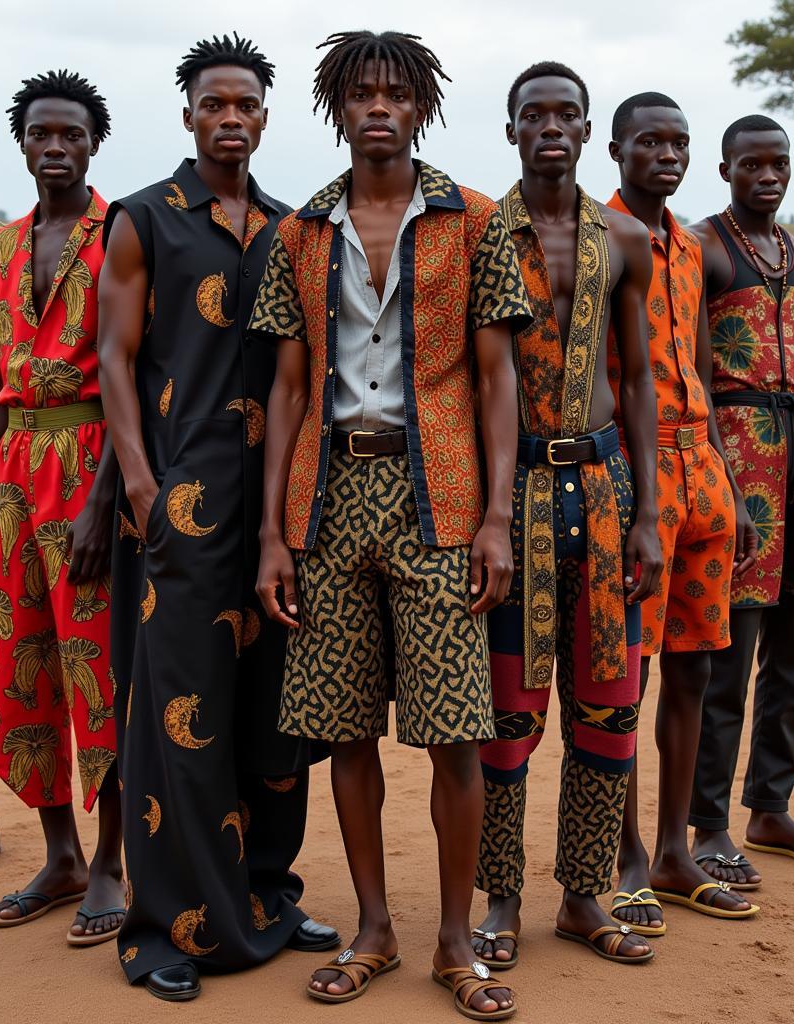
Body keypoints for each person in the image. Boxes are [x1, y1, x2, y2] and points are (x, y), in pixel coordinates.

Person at [252, 29, 530, 1021]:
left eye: (396, 94)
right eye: (361, 93)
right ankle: (374, 927)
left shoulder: (476, 220)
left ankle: (456, 941)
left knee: (454, 735)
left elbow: (496, 379)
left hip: (442, 503)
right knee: (346, 734)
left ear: (421, 108)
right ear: (338, 108)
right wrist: (275, 535)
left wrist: (496, 517)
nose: (378, 107)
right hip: (327, 507)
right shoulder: (304, 231)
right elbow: (288, 387)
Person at [98, 34, 338, 1003]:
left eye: (245, 105)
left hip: (277, 509)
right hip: (183, 505)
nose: (230, 117)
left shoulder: (288, 227)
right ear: (189, 115)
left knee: (273, 710)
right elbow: (114, 361)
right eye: (214, 104)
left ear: (264, 120)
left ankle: (268, 892)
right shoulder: (143, 220)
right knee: (176, 720)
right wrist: (143, 489)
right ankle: (164, 923)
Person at [471, 62, 662, 970]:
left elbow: (636, 383)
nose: (552, 127)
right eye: (533, 115)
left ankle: (584, 894)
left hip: (603, 486)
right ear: (511, 131)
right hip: (510, 499)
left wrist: (650, 516)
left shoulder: (625, 238)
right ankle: (501, 898)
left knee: (609, 702)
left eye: (567, 115)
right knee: (509, 706)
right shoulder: (477, 236)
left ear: (588, 132)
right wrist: (485, 516)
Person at [0, 70, 123, 944]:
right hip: (19, 471)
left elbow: (131, 375)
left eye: (70, 134)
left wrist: (106, 503)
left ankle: (108, 863)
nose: (54, 147)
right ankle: (58, 854)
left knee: (96, 667)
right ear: (21, 144)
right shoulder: (0, 246)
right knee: (19, 668)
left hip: (92, 459)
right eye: (40, 134)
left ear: (94, 143)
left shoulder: (121, 232)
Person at [688, 115, 794, 883]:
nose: (768, 174)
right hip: (739, 462)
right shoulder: (704, 249)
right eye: (751, 163)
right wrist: (723, 482)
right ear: (725, 170)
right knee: (731, 656)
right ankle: (709, 824)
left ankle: (771, 808)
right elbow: (693, 374)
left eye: (778, 162)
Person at [604, 93, 759, 932]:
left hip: (702, 470)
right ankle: (623, 854)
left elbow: (697, 357)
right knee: (625, 672)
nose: (668, 155)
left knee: (695, 664)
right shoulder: (600, 240)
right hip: (635, 471)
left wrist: (722, 476)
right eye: (649, 142)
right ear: (616, 150)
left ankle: (674, 850)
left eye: (680, 144)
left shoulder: (693, 248)